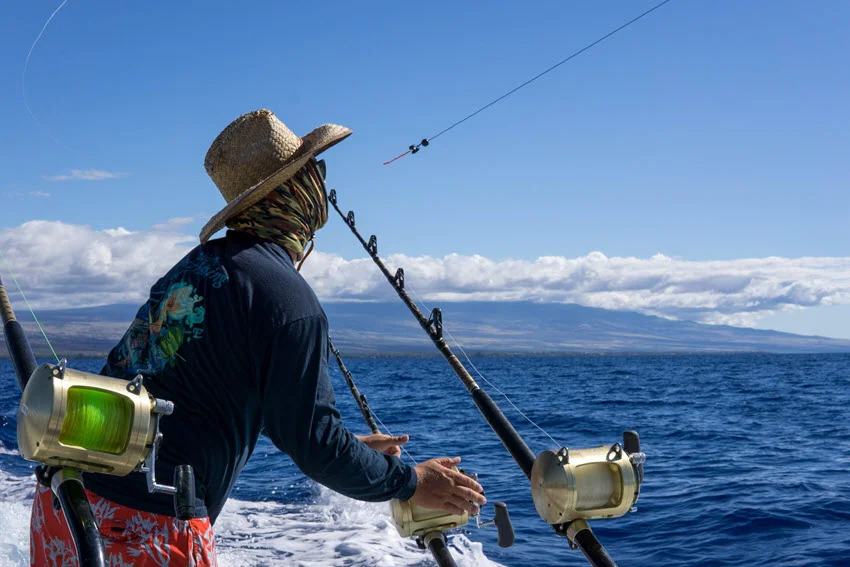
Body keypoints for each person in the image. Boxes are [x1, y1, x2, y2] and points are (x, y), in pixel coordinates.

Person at [30, 109, 486, 566]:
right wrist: (412, 482)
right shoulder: (288, 300)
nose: (322, 184)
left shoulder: (197, 266)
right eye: (313, 171)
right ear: (294, 191)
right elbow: (316, 446)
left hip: (66, 506)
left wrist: (347, 446)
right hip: (143, 530)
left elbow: (209, 388)